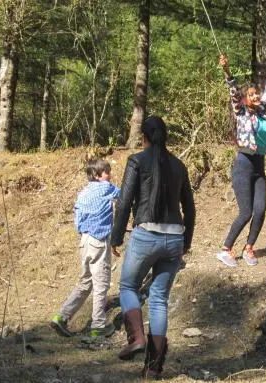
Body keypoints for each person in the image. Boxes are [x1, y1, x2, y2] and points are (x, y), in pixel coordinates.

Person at [111, 116, 195, 379]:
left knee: (127, 287)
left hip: (146, 235)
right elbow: (190, 209)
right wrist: (186, 243)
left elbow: (124, 202)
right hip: (174, 240)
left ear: (144, 137)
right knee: (159, 300)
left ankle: (136, 338)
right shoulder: (179, 165)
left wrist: (116, 238)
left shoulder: (137, 160)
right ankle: (153, 369)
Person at [216, 54, 266, 267]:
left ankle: (249, 248)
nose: (256, 96)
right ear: (245, 100)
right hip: (243, 165)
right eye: (252, 94)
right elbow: (234, 92)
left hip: (258, 167)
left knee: (261, 209)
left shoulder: (262, 111)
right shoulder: (241, 111)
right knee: (246, 212)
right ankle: (226, 249)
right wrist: (226, 71)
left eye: (257, 94)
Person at [50, 158, 121, 338]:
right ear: (97, 175)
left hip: (85, 240)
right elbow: (124, 195)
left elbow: (77, 216)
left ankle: (62, 316)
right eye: (106, 172)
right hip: (99, 240)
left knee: (85, 282)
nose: (109, 175)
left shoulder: (83, 193)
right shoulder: (107, 187)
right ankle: (98, 325)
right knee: (101, 283)